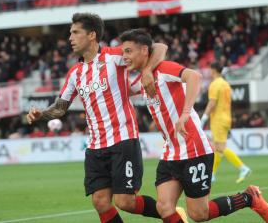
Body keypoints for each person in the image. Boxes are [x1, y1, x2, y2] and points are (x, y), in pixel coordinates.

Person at [27, 13, 185, 222]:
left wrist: (147, 71)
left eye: (75, 32)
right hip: (95, 146)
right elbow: (60, 108)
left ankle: (172, 215)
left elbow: (160, 47)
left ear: (92, 35)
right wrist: (42, 114)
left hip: (123, 139)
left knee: (124, 201)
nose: (70, 38)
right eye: (70, 33)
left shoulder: (114, 56)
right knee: (100, 202)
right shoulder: (75, 73)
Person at [120, 28, 268, 223]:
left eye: (128, 51)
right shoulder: (142, 80)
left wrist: (184, 114)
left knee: (199, 214)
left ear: (143, 50)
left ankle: (249, 198)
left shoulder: (164, 69)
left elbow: (194, 76)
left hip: (194, 147)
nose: (124, 56)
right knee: (164, 207)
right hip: (171, 151)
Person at [200, 62, 251, 183]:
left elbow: (212, 103)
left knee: (220, 148)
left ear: (213, 70)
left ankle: (243, 168)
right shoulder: (226, 84)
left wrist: (203, 118)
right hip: (226, 117)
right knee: (218, 149)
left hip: (218, 119)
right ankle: (212, 174)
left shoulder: (215, 84)